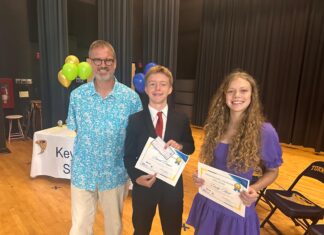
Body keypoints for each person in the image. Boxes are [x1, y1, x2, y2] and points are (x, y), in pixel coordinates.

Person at [187, 70, 283, 235]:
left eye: (243, 90)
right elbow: (212, 163)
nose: (236, 95)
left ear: (252, 95)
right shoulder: (215, 127)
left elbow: (273, 171)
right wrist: (200, 175)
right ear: (224, 95)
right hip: (210, 201)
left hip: (237, 207)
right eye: (231, 91)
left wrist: (255, 188)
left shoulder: (264, 131)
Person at [67, 40, 142, 235]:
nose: (103, 65)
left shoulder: (131, 98)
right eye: (97, 60)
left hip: (115, 174)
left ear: (115, 63)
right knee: (79, 228)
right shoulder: (77, 96)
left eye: (108, 60)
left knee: (114, 228)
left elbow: (138, 137)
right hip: (83, 172)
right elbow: (75, 129)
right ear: (90, 63)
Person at [124, 65, 195, 235]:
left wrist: (181, 146)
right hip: (144, 186)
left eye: (163, 84)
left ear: (170, 89)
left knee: (172, 231)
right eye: (152, 84)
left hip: (172, 188)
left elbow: (190, 146)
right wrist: (136, 178)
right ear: (146, 89)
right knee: (140, 230)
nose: (158, 88)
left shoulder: (181, 119)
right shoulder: (135, 120)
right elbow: (128, 155)